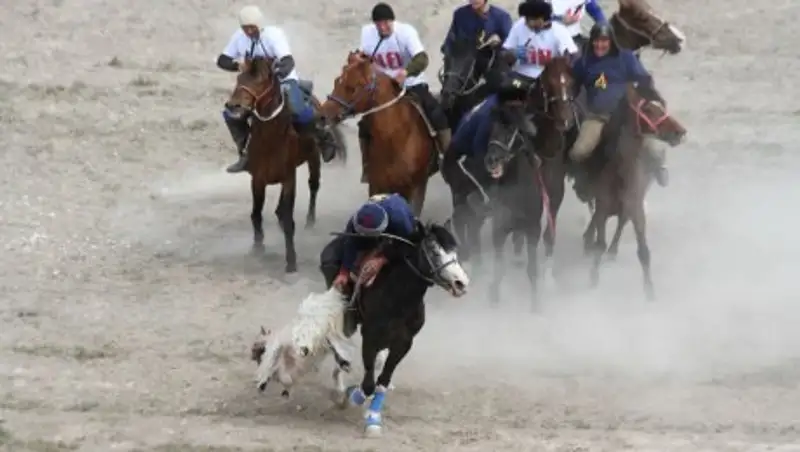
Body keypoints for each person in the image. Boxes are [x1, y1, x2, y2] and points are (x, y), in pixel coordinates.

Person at [216, 5, 335, 173]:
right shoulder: (239, 38)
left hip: (282, 80)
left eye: (252, 28)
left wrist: (274, 72)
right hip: (254, 86)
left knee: (296, 108)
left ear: (259, 25)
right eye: (245, 28)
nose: (249, 32)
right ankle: (244, 153)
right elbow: (222, 60)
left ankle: (324, 136)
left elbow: (288, 62)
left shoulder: (273, 35)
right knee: (231, 114)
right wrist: (237, 65)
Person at [568, 23, 668, 194]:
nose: (599, 45)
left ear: (611, 41)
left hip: (626, 113)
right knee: (578, 151)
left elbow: (643, 79)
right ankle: (583, 181)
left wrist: (651, 97)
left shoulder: (626, 57)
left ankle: (659, 170)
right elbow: (574, 86)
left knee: (651, 145)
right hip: (597, 115)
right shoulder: (584, 62)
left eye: (604, 41)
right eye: (596, 41)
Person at [357, 3, 452, 181]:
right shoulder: (367, 33)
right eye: (379, 24)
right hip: (383, 89)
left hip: (412, 84)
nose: (383, 27)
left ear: (392, 21)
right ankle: (367, 167)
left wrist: (406, 72)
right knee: (364, 123)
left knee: (436, 113)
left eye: (386, 23)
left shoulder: (406, 32)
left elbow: (422, 58)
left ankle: (448, 159)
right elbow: (362, 57)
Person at [496, 0, 577, 141]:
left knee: (564, 98)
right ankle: (521, 124)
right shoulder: (519, 26)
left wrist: (565, 58)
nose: (527, 23)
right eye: (526, 19)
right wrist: (513, 54)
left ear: (542, 19)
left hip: (548, 78)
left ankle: (570, 127)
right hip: (522, 77)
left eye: (531, 20)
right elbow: (504, 53)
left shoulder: (559, 31)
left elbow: (573, 56)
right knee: (506, 89)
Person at [320, 193, 417, 295]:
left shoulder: (400, 220)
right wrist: (344, 272)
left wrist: (382, 259)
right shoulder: (354, 221)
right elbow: (350, 243)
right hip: (372, 235)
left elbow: (409, 244)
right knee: (330, 258)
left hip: (399, 234)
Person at [441, 0, 513, 56]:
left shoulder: (502, 17)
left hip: (491, 64)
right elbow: (450, 40)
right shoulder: (460, 15)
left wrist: (499, 43)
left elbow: (510, 46)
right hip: (465, 64)